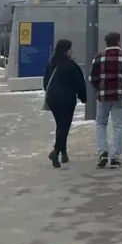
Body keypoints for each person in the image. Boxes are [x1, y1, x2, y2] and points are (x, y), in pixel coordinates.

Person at [90, 31, 122, 168]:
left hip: (103, 96)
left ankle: (102, 150)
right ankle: (115, 157)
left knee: (101, 124)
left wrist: (98, 90)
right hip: (119, 96)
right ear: (118, 41)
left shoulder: (98, 57)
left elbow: (92, 77)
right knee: (118, 126)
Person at [43, 39, 87, 168]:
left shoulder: (51, 64)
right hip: (67, 100)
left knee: (60, 126)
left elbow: (45, 82)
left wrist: (50, 94)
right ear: (65, 50)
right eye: (70, 49)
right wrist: (83, 98)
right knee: (65, 126)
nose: (71, 51)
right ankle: (56, 152)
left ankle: (63, 152)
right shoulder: (71, 65)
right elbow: (80, 83)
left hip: (53, 100)